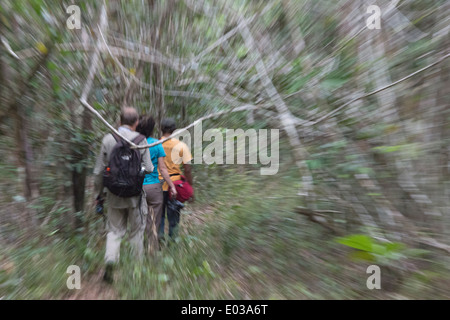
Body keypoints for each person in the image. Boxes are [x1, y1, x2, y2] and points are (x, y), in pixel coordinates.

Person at [93, 107, 153, 284]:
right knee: (136, 233)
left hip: (113, 195)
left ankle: (111, 260)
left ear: (120, 121)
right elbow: (149, 168)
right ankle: (137, 274)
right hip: (135, 197)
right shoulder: (142, 141)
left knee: (114, 231)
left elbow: (98, 171)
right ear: (136, 123)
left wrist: (99, 194)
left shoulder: (108, 139)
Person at [136, 116, 177, 252]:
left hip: (136, 187)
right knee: (153, 222)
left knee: (139, 219)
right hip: (153, 187)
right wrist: (171, 185)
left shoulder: (134, 143)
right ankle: (152, 251)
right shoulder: (156, 144)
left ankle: (137, 252)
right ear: (153, 129)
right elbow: (163, 169)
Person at [158, 118, 193, 243]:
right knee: (174, 217)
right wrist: (190, 187)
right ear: (174, 130)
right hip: (175, 186)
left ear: (161, 129)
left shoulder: (155, 144)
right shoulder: (181, 146)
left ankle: (159, 239)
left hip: (158, 185)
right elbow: (187, 169)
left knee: (159, 215)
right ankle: (172, 244)